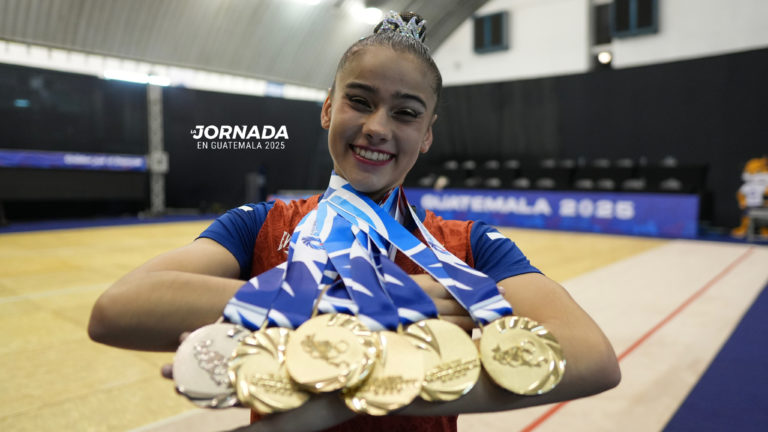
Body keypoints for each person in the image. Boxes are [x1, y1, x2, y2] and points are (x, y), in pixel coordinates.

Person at [89, 11, 620, 432]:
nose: (376, 127)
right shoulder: (261, 225)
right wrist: (348, 307)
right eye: (359, 101)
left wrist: (350, 397)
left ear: (428, 134)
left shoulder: (468, 246)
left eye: (406, 112)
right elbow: (115, 311)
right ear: (327, 109)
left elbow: (593, 357)